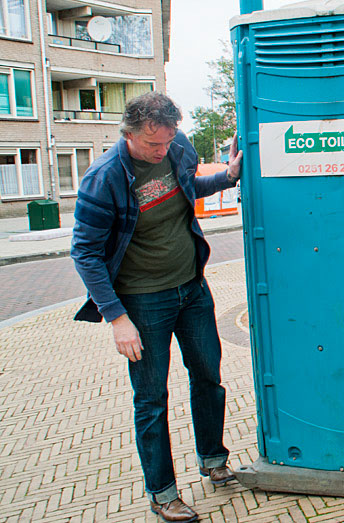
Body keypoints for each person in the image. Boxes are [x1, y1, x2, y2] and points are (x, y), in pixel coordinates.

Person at [71, 92, 243, 522]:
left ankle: (212, 459)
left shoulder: (177, 145)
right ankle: (162, 492)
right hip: (144, 302)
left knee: (208, 376)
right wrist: (116, 317)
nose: (162, 151)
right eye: (153, 145)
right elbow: (85, 252)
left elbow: (186, 189)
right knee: (151, 398)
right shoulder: (105, 178)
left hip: (192, 288)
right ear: (128, 134)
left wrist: (227, 176)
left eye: (167, 142)